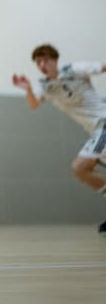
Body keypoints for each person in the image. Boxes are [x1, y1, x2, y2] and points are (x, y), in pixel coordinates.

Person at [12, 44, 106, 234]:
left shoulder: (73, 70)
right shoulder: (44, 86)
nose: (42, 64)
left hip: (103, 124)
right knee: (82, 170)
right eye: (38, 61)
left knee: (80, 167)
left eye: (45, 60)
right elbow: (34, 104)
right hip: (95, 132)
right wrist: (28, 88)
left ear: (55, 60)